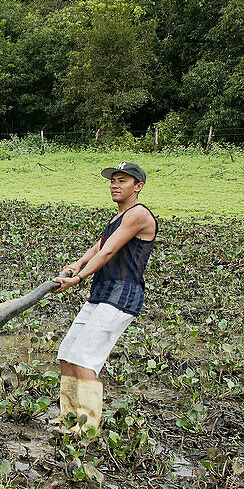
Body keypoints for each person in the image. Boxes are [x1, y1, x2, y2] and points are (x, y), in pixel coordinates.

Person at [52, 161, 157, 433]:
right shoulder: (117, 217)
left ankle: (87, 426)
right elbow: (99, 245)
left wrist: (77, 278)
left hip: (122, 296)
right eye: (113, 180)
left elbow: (108, 252)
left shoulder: (138, 214)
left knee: (85, 359)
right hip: (102, 293)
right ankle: (69, 417)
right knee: (67, 354)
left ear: (138, 187)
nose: (115, 185)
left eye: (123, 180)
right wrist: (77, 263)